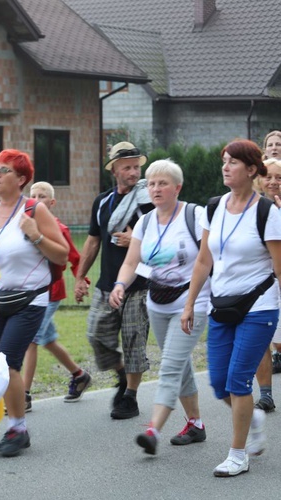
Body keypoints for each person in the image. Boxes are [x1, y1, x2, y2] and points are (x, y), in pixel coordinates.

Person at [181, 139, 281, 477]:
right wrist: (190, 303)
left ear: (251, 169)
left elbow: (280, 268)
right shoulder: (214, 206)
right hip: (221, 306)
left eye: (233, 162)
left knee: (239, 381)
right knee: (220, 383)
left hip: (260, 307)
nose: (225, 167)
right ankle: (250, 415)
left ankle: (237, 455)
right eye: (224, 161)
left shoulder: (267, 212)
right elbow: (203, 260)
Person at [107, 160, 209, 455]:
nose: (155, 188)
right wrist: (120, 285)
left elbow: (208, 258)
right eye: (151, 183)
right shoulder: (146, 222)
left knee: (171, 366)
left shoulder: (195, 215)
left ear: (177, 187)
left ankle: (153, 430)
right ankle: (196, 424)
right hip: (158, 302)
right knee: (180, 364)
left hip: (193, 301)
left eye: (162, 183)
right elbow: (131, 262)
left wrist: (192, 301)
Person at [0, 151, 68, 458]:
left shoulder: (35, 209)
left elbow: (62, 255)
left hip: (31, 299)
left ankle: (18, 428)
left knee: (8, 361)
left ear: (21, 179)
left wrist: (36, 236)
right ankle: (15, 424)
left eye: (4, 170)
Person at [74, 142, 154, 419]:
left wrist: (136, 240)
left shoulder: (148, 200)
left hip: (139, 285)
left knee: (133, 342)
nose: (133, 172)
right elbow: (93, 241)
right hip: (107, 284)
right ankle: (121, 375)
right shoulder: (103, 202)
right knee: (96, 335)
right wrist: (80, 276)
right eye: (127, 167)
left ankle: (130, 398)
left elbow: (164, 238)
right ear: (115, 170)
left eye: (136, 166)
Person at [22, 181, 92, 409]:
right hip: (29, 293)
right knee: (47, 340)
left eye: (42, 197)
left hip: (50, 294)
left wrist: (81, 281)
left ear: (51, 203)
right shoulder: (22, 226)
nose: (37, 200)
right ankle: (79, 375)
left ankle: (24, 395)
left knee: (31, 340)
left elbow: (74, 257)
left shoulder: (59, 229)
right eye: (33, 196)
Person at [253, 132, 281, 413]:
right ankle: (266, 395)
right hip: (261, 286)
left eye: (279, 177)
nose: (273, 182)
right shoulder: (252, 208)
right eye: (268, 177)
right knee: (263, 340)